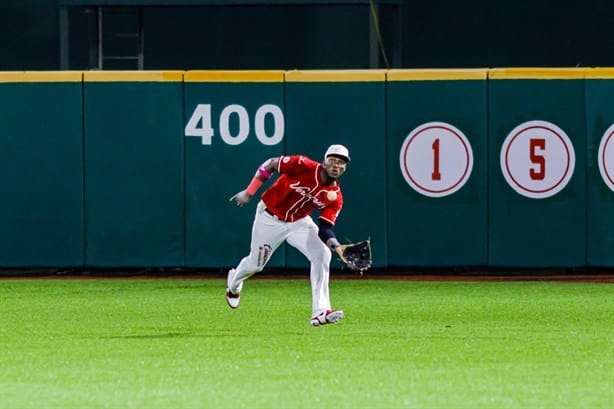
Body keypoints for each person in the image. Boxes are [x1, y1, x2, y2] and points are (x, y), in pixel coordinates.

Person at [226, 144, 351, 327]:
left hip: (298, 222)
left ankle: (320, 311)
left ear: (345, 167)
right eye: (332, 160)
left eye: (341, 163)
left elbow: (325, 228)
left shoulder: (335, 197)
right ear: (325, 161)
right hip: (269, 217)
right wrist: (249, 192)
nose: (336, 165)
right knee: (256, 264)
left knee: (323, 254)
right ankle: (234, 284)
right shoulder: (303, 165)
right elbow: (270, 164)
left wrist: (337, 246)